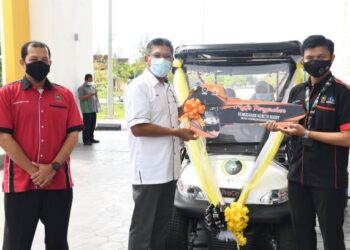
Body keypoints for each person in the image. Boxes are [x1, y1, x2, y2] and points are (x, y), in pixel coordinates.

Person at [265, 35, 350, 250]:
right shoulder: (296, 92)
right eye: (310, 57)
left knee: (332, 235)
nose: (315, 61)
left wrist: (308, 133)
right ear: (303, 61)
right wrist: (278, 128)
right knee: (301, 233)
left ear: (332, 58)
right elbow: (291, 130)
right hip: (297, 176)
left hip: (329, 179)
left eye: (321, 57)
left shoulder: (343, 92)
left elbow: (348, 138)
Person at [0, 41, 83, 250]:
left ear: (50, 62)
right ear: (23, 62)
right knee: (16, 244)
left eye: (44, 60)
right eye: (34, 60)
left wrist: (53, 167)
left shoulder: (64, 95)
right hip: (20, 184)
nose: (40, 64)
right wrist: (35, 171)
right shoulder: (7, 94)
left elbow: (73, 134)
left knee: (57, 242)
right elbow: (3, 137)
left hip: (58, 184)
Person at [124, 38, 197, 250]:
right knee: (143, 230)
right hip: (149, 172)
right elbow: (138, 127)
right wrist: (176, 132)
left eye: (167, 57)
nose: (162, 60)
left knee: (161, 228)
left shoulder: (168, 88)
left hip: (170, 171)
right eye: (157, 55)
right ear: (147, 59)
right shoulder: (140, 86)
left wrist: (188, 103)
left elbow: (172, 116)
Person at [78, 73, 100, 145]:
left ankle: (91, 138)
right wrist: (90, 94)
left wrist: (96, 97)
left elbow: (95, 95)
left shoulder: (92, 87)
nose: (91, 81)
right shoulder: (81, 88)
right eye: (90, 79)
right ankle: (86, 140)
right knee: (87, 126)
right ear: (86, 79)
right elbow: (81, 98)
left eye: (92, 79)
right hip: (86, 110)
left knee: (92, 125)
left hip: (93, 109)